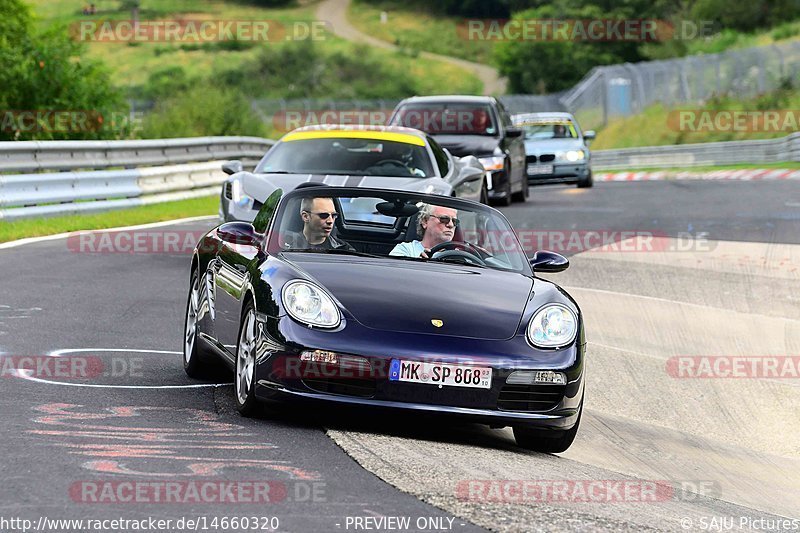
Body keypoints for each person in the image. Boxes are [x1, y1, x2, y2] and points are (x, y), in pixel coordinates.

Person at [284, 197, 355, 251]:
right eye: (323, 216)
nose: (330, 221)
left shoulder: (343, 249)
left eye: (333, 215)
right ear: (305, 216)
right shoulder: (286, 248)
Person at [390, 203, 457, 258]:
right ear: (425, 221)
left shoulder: (459, 255)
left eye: (454, 221)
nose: (451, 225)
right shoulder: (405, 250)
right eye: (444, 219)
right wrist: (419, 265)